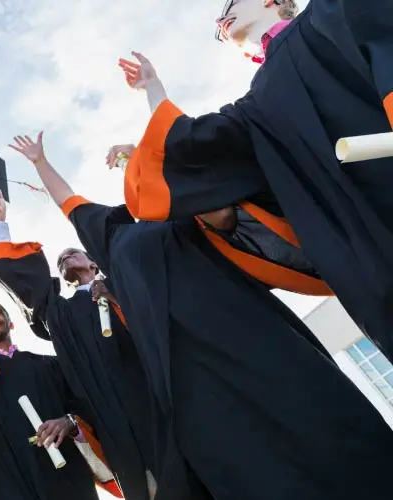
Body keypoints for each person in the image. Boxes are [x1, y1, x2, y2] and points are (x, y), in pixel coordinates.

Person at [7, 131, 393, 500]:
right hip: (189, 372)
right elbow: (68, 201)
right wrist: (41, 162)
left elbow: (219, 205)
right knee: (249, 465)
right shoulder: (113, 237)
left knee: (323, 427)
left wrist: (137, 153)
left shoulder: (184, 218)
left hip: (250, 336)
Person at [117, 0, 393, 362]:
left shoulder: (336, 11)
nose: (221, 21)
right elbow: (191, 154)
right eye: (218, 28)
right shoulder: (254, 110)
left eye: (229, 6)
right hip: (375, 260)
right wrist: (155, 93)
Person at [0, 181, 153, 500]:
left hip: (154, 391)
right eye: (60, 259)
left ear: (95, 262)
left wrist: (117, 295)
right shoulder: (63, 313)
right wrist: (0, 221)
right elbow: (26, 282)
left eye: (72, 252)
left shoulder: (127, 281)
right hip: (113, 414)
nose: (64, 258)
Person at [0, 290, 116, 500]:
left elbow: (85, 402)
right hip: (5, 478)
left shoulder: (49, 364)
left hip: (62, 471)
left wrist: (69, 421)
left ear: (11, 323)